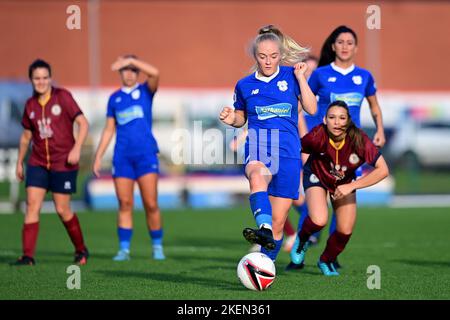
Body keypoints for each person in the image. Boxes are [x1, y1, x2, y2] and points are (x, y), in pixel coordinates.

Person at [290, 26, 386, 269]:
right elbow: (304, 103)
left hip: (349, 154)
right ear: (333, 46)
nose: (344, 46)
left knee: (344, 222)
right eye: (340, 42)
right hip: (322, 152)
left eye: (349, 42)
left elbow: (375, 106)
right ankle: (304, 241)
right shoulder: (321, 74)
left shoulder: (364, 76)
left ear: (356, 47)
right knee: (318, 216)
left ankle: (329, 256)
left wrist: (381, 131)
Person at [219, 25, 317, 262]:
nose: (268, 61)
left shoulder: (292, 77)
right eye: (263, 56)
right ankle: (262, 228)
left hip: (289, 153)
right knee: (256, 175)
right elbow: (241, 118)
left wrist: (302, 78)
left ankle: (265, 265)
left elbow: (312, 108)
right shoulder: (244, 85)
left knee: (279, 223)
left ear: (280, 55)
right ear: (256, 56)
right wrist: (231, 118)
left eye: (273, 56)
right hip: (260, 145)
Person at [289, 100, 388, 276]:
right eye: (332, 117)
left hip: (345, 184)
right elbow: (294, 149)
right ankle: (302, 239)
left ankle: (325, 260)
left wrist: (352, 186)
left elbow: (383, 170)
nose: (337, 122)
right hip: (316, 176)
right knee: (319, 220)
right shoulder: (317, 135)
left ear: (348, 121)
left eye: (342, 118)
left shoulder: (359, 139)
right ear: (325, 120)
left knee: (345, 230)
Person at [14, 59, 90, 266]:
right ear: (31, 80)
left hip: (62, 163)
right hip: (38, 163)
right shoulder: (30, 105)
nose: (41, 82)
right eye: (37, 78)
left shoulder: (63, 97)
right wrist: (20, 162)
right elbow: (26, 137)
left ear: (50, 78)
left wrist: (76, 148)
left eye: (45, 77)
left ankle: (81, 249)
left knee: (62, 209)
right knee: (32, 205)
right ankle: (28, 256)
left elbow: (83, 123)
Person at [93, 55, 165, 261]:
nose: (129, 73)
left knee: (150, 203)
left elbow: (155, 73)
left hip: (146, 156)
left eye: (133, 69)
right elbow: (108, 130)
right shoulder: (114, 98)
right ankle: (124, 250)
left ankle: (157, 246)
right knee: (125, 203)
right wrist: (98, 156)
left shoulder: (145, 91)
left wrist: (128, 60)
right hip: (122, 157)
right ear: (120, 73)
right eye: (125, 69)